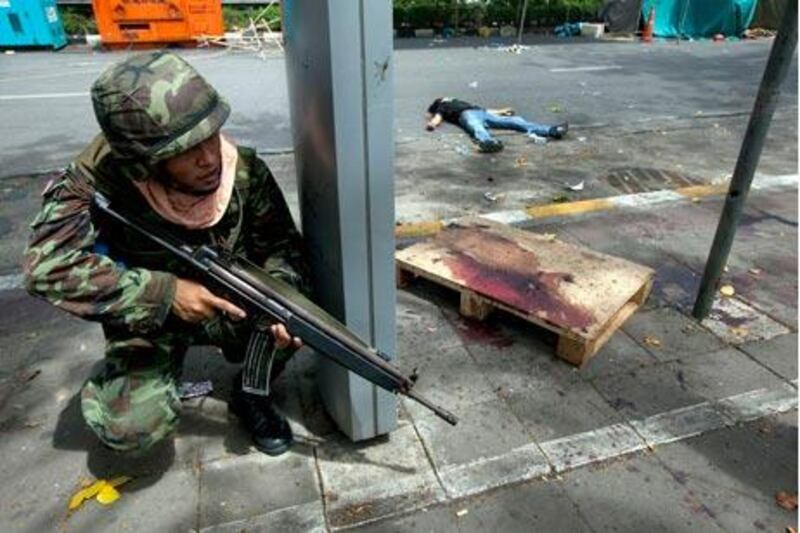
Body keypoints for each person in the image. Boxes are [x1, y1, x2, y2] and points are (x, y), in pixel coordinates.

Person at [23, 51, 309, 457]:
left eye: (210, 133)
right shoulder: (98, 184)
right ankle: (134, 377)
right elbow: (46, 269)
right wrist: (165, 293)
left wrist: (283, 292)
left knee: (301, 314)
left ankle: (252, 393)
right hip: (150, 319)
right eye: (185, 150)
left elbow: (283, 247)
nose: (209, 158)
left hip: (235, 307)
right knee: (131, 429)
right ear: (144, 162)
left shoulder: (242, 172)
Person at [426, 97, 568, 153]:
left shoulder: (462, 102)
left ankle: (551, 130)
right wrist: (432, 124)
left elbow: (485, 110)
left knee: (515, 120)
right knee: (476, 126)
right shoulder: (443, 106)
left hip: (480, 112)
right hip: (467, 115)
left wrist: (502, 111)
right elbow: (438, 117)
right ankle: (488, 142)